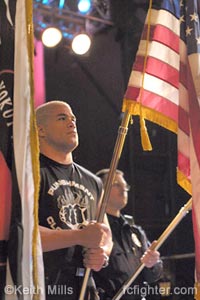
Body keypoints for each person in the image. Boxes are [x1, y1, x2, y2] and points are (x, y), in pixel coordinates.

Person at [35, 101, 113, 300]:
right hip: (43, 286)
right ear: (40, 130)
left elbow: (106, 234)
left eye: (73, 118)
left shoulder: (94, 181)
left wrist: (101, 254)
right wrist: (78, 237)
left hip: (86, 287)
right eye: (62, 118)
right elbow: (23, 233)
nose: (72, 123)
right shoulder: (30, 174)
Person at [94, 169, 163, 300]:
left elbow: (153, 275)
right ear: (101, 190)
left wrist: (152, 264)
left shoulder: (135, 231)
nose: (124, 189)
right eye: (117, 185)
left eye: (125, 185)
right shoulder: (96, 231)